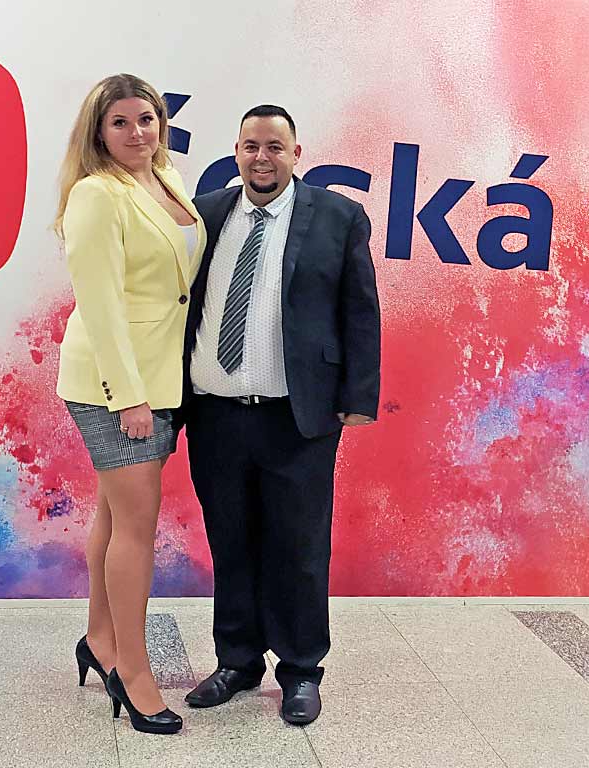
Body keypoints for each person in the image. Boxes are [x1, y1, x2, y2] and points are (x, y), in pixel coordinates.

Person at [180, 104, 380, 725]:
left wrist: (358, 397)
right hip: (215, 417)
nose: (261, 157)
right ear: (236, 151)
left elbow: (359, 309)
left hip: (298, 418)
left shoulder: (338, 216)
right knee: (230, 541)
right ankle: (237, 661)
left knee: (299, 547)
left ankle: (300, 669)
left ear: (296, 154)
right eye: (250, 146)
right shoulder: (205, 213)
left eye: (274, 147)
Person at [54, 73, 205, 735]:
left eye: (146, 118)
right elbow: (101, 305)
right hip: (115, 385)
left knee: (116, 516)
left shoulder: (166, 177)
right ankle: (134, 674)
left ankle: (99, 638)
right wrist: (129, 398)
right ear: (98, 132)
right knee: (137, 531)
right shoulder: (95, 193)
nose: (137, 132)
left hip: (162, 376)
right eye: (120, 122)